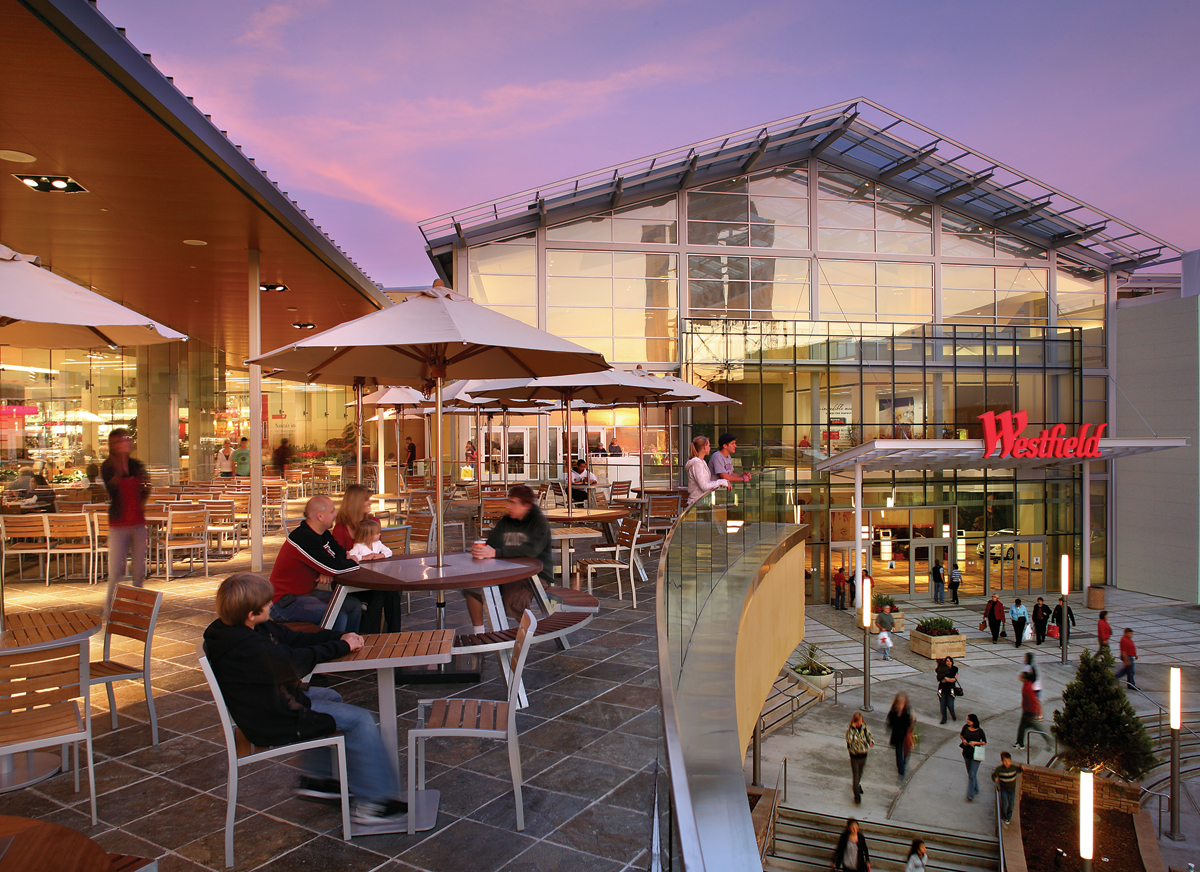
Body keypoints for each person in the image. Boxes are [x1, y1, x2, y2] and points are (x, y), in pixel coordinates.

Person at [203, 573, 407, 824]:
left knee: (331, 695)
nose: (271, 605)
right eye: (267, 603)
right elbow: (295, 662)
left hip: (265, 700)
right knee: (360, 720)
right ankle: (374, 803)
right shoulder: (246, 646)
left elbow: (295, 639)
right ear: (251, 613)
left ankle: (318, 780)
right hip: (271, 716)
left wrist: (339, 637)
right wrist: (341, 647)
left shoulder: (242, 628)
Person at [268, 495, 364, 633]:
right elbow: (333, 566)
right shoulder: (303, 538)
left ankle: (353, 645)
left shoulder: (322, 534)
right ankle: (336, 650)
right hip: (284, 603)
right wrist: (350, 562)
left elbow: (339, 555)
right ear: (320, 516)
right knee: (337, 615)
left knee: (353, 605)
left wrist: (328, 568)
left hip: (305, 594)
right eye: (332, 511)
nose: (335, 514)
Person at [467, 485, 549, 632]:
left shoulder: (538, 522)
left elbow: (532, 550)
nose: (509, 506)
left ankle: (534, 631)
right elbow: (492, 544)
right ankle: (478, 633)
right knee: (473, 588)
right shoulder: (506, 521)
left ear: (526, 506)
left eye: (513, 503)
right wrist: (482, 550)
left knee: (513, 598)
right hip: (506, 570)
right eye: (509, 502)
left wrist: (495, 553)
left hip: (535, 574)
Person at [101, 428, 151, 619]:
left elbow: (145, 486)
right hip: (118, 524)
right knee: (116, 571)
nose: (126, 442)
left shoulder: (136, 464)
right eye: (121, 440)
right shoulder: (108, 466)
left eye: (127, 439)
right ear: (113, 444)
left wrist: (140, 502)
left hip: (138, 522)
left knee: (138, 571)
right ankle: (109, 609)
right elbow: (113, 488)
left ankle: (138, 610)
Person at [348, 518, 401, 633]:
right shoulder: (359, 546)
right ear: (368, 535)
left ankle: (393, 630)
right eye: (377, 533)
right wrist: (364, 558)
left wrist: (381, 556)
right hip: (365, 578)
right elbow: (351, 556)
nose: (379, 535)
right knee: (379, 597)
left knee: (393, 594)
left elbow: (388, 552)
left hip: (379, 575)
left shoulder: (378, 544)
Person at [685, 436, 730, 507]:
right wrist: (721, 482)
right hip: (696, 503)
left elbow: (706, 484)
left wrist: (719, 484)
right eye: (709, 445)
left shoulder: (702, 462)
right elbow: (704, 486)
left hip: (702, 502)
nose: (710, 448)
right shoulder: (697, 464)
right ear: (704, 447)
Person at [844, 712, 873, 805]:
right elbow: (849, 740)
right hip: (854, 755)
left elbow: (868, 735)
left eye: (861, 721)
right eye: (859, 722)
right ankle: (857, 795)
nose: (860, 723)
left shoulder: (864, 727)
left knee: (860, 772)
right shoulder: (850, 730)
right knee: (856, 775)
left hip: (863, 754)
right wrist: (852, 728)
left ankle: (857, 785)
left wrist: (870, 741)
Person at [886, 693, 914, 780]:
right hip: (897, 735)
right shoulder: (894, 711)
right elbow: (890, 722)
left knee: (906, 751)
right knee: (898, 752)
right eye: (900, 701)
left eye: (903, 701)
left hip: (905, 735)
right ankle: (901, 769)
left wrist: (912, 718)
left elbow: (910, 723)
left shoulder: (907, 710)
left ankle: (904, 762)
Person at [960, 713, 986, 801]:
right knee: (971, 773)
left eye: (969, 720)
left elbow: (984, 742)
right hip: (966, 753)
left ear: (973, 722)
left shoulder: (980, 731)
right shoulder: (965, 727)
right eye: (967, 719)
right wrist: (963, 740)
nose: (967, 721)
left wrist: (975, 743)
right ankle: (976, 788)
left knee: (972, 774)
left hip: (976, 755)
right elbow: (961, 735)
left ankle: (970, 795)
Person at [992, 752, 1021, 825]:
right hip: (1004, 788)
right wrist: (995, 779)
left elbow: (1019, 770)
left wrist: (1022, 768)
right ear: (1002, 761)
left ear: (1010, 761)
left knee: (1011, 803)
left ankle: (1008, 817)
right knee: (1005, 802)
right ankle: (1004, 815)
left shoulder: (1013, 768)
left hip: (1012, 789)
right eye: (1005, 761)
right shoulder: (999, 769)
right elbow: (994, 775)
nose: (1007, 763)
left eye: (1008, 761)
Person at [1014, 672, 1041, 750]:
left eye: (1021, 676)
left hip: (1028, 710)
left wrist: (1034, 710)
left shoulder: (1027, 687)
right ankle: (1019, 743)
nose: (1019, 677)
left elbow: (1032, 699)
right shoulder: (1028, 685)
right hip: (1028, 710)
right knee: (1028, 726)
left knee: (1022, 727)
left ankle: (1020, 743)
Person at [937, 656, 959, 724]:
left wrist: (947, 679)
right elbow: (941, 680)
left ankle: (953, 715)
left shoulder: (954, 669)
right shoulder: (942, 669)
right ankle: (944, 718)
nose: (948, 663)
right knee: (943, 705)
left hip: (951, 689)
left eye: (950, 661)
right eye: (947, 661)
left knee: (950, 704)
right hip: (943, 689)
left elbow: (955, 679)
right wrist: (947, 680)